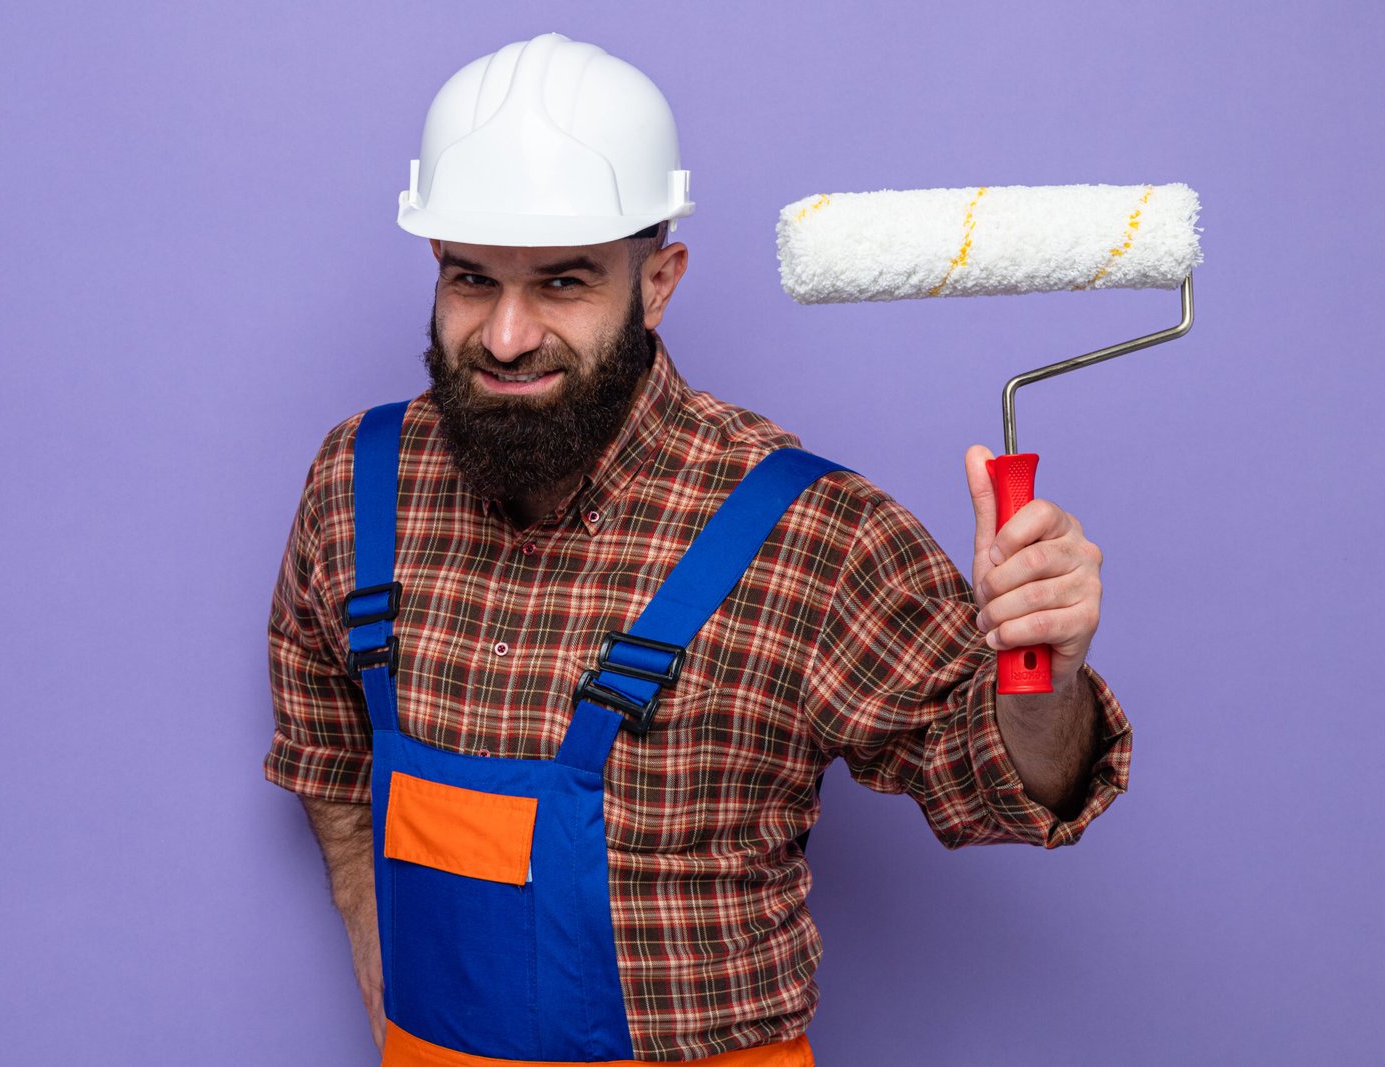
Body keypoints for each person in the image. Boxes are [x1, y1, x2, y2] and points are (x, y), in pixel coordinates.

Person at [265, 32, 1129, 1067]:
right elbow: (328, 755)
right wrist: (385, 977)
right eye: (471, 279)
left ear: (659, 281)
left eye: (563, 281)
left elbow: (1000, 788)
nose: (504, 334)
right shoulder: (354, 485)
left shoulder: (809, 534)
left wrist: (1044, 676)